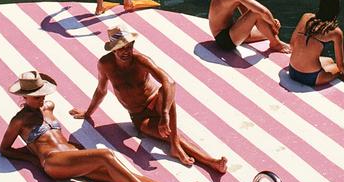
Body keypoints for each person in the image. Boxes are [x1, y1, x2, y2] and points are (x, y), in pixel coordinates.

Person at [0, 69, 199, 182]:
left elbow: (56, 135)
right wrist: (33, 159)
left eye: (41, 94)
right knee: (106, 155)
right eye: (35, 96)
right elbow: (5, 149)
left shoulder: (49, 107)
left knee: (119, 174)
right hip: (53, 161)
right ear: (24, 97)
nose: (41, 99)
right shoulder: (20, 120)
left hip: (72, 155)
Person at [70, 25, 227, 173]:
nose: (126, 51)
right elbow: (101, 90)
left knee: (166, 91)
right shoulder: (105, 64)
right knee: (170, 134)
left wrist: (164, 113)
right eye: (121, 48)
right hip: (139, 116)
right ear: (113, 49)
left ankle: (187, 150)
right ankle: (206, 159)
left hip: (157, 104)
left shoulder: (141, 61)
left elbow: (169, 82)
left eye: (129, 46)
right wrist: (88, 112)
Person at [288, 0, 344, 87]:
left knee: (329, 60)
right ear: (336, 9)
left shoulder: (306, 17)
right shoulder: (336, 32)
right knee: (342, 69)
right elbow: (340, 65)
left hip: (292, 70)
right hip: (311, 78)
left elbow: (292, 44)